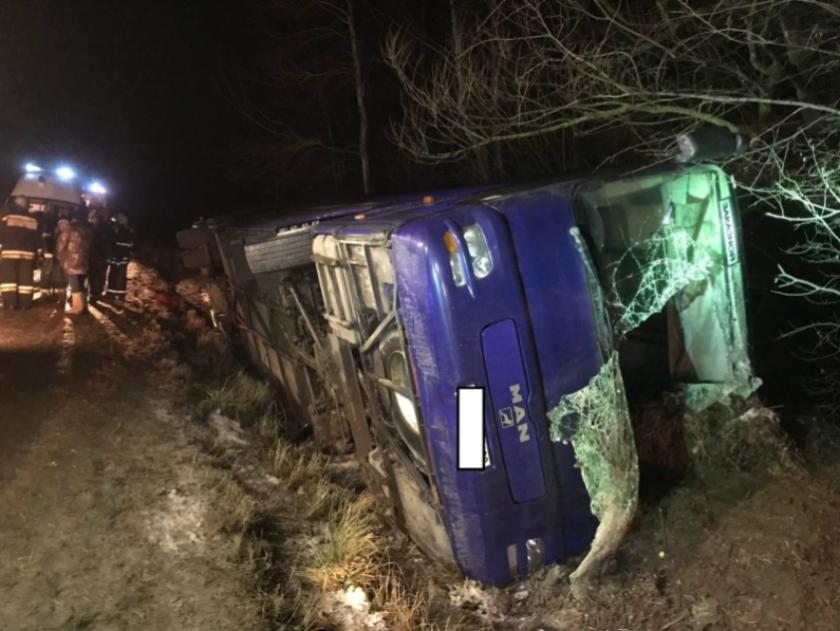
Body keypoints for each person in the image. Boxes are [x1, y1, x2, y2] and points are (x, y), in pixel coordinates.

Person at [0, 195, 40, 310]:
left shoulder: (6, 217)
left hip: (10, 251)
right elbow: (37, 238)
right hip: (28, 253)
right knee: (26, 277)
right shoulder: (33, 219)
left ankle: (10, 303)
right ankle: (25, 303)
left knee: (9, 278)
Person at [55, 211, 94, 314]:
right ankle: (84, 305)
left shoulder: (69, 229)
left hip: (71, 261)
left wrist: (60, 255)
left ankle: (77, 307)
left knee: (74, 284)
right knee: (81, 283)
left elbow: (61, 244)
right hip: (84, 260)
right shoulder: (87, 229)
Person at [104, 213, 134, 305]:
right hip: (122, 258)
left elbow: (116, 244)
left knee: (115, 276)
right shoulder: (128, 231)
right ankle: (118, 297)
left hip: (117, 257)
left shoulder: (119, 231)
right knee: (119, 277)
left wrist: (113, 256)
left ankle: (113, 296)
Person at [87, 202, 111, 305]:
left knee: (92, 277)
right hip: (101, 257)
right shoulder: (107, 227)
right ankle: (95, 296)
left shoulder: (92, 227)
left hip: (94, 256)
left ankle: (92, 295)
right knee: (98, 278)